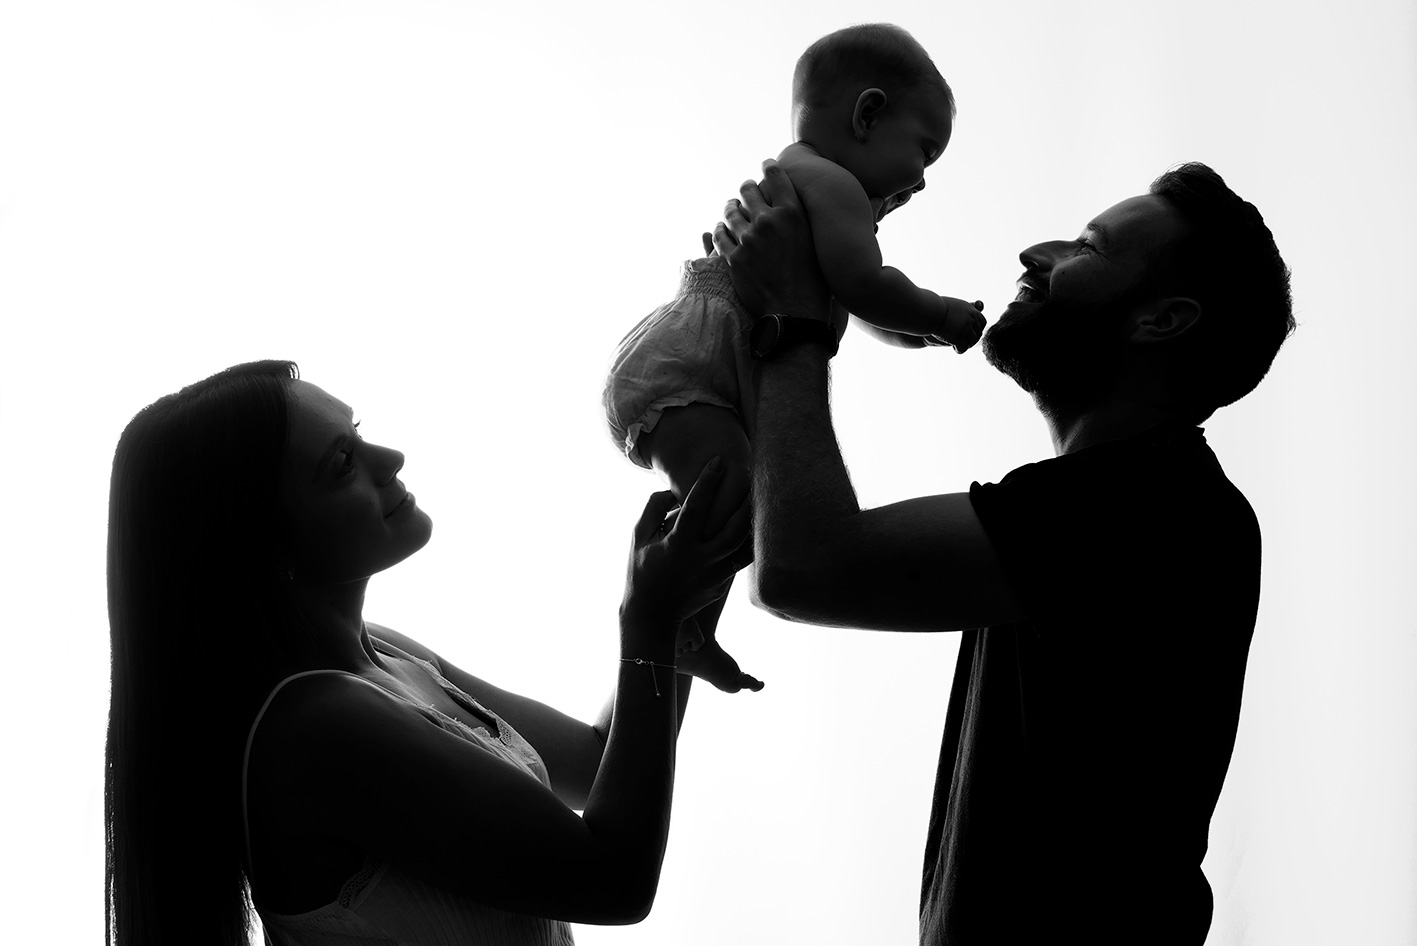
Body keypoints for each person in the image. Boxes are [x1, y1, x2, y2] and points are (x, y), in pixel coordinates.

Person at [711, 160, 1293, 944]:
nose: (1034, 253)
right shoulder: (1115, 507)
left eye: (1087, 247)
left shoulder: (1155, 501)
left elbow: (803, 567)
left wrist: (794, 318)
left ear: (1161, 320)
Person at [104, 360, 749, 946]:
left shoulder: (382, 655)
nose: (391, 457)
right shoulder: (314, 726)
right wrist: (648, 623)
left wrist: (674, 624)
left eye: (358, 433)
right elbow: (613, 877)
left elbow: (596, 760)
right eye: (341, 463)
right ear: (266, 551)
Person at [602, 23, 985, 691]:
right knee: (739, 501)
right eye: (924, 151)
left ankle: (688, 630)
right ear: (867, 115)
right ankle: (675, 625)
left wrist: (911, 335)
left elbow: (853, 303)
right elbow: (866, 286)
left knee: (737, 507)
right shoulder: (830, 184)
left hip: (692, 368)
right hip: (692, 367)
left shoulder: (806, 186)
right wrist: (938, 314)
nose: (922, 183)